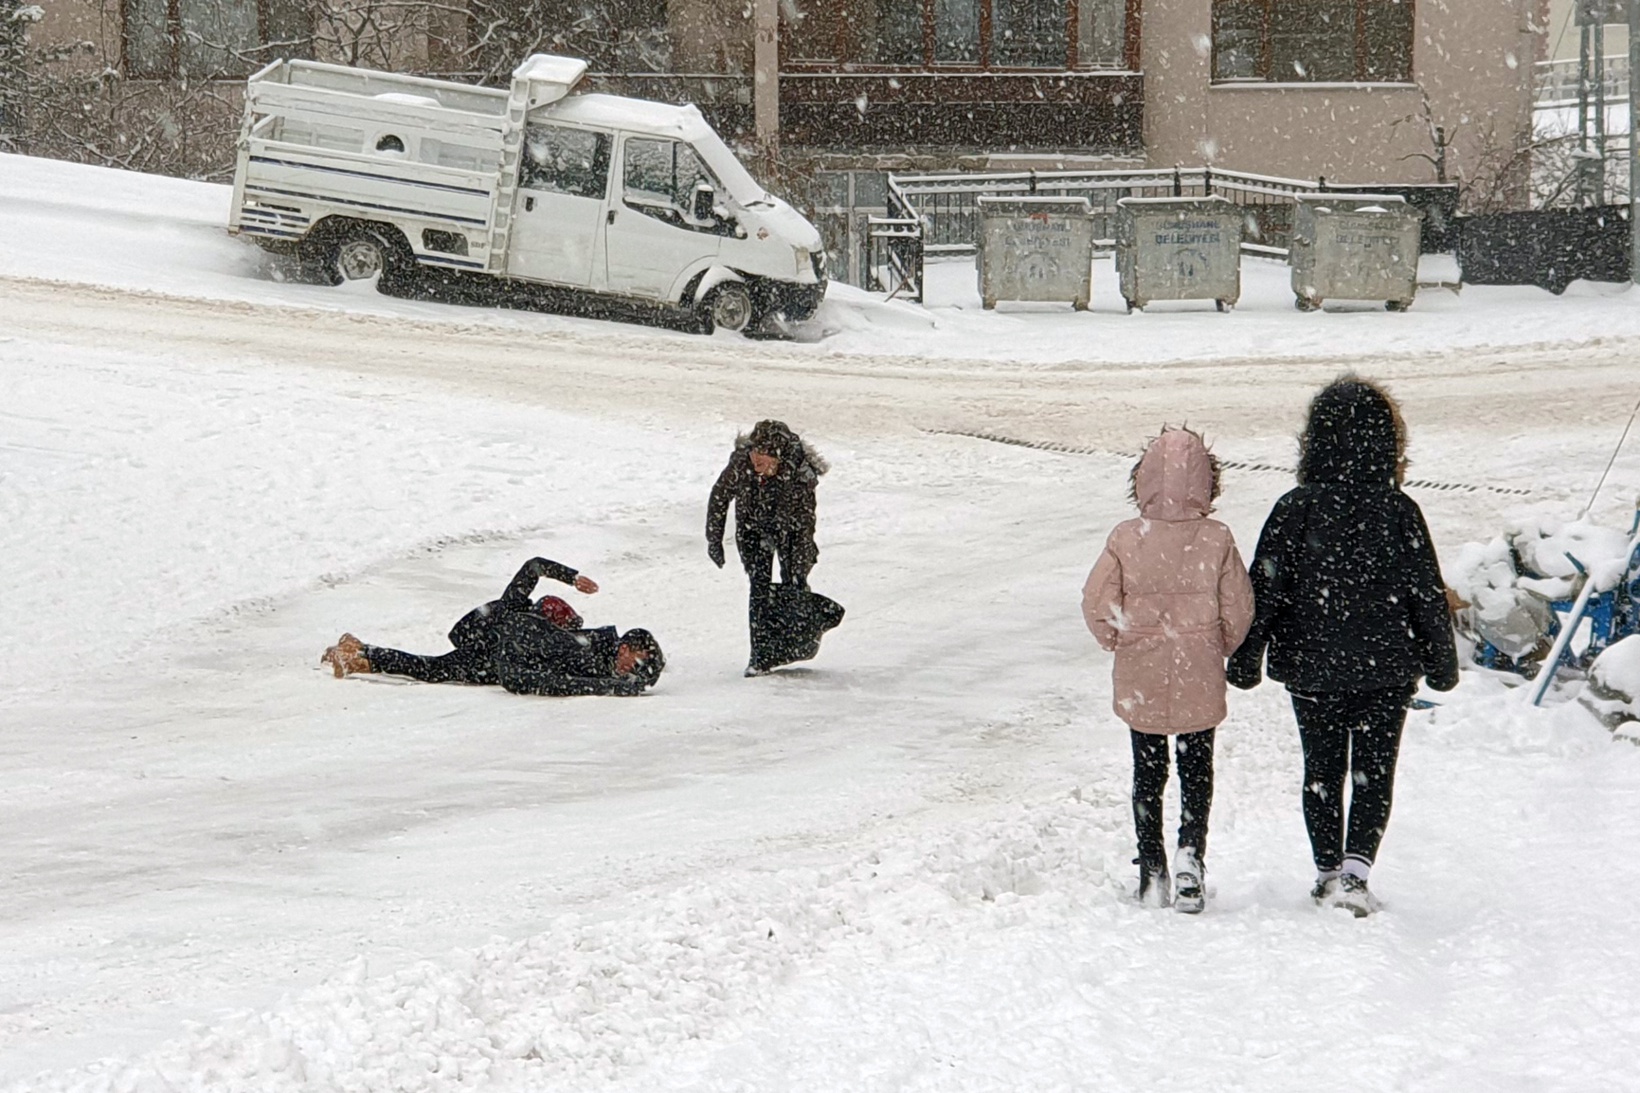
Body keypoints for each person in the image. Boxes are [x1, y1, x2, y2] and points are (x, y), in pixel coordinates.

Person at [1227, 375, 1459, 916]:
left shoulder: (1294, 508)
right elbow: (1426, 593)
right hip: (1387, 664)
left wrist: (1245, 659)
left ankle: (1327, 869)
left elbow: (1264, 590)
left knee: (1322, 770)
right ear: (1388, 443)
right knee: (1375, 770)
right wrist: (1441, 663)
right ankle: (1356, 872)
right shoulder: (1399, 511)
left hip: (1312, 666)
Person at [1082, 427, 1254, 913]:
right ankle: (1190, 855)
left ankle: (1151, 866)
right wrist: (1219, 643)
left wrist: (1116, 638)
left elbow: (1097, 602)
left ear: (1143, 480)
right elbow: (1238, 606)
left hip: (1141, 670)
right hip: (1198, 664)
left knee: (1148, 771)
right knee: (1197, 769)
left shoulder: (1127, 537)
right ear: (1207, 482)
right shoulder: (1217, 538)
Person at [320, 556, 664, 695]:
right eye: (633, 662)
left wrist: (570, 578)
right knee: (433, 668)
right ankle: (359, 654)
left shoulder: (521, 612)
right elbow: (537, 679)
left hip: (484, 643)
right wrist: (608, 686)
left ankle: (359, 652)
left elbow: (533, 566)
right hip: (494, 654)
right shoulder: (550, 637)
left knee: (433, 668)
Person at [706, 420, 841, 675]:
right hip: (752, 529)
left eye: (763, 457)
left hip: (790, 531)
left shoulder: (800, 474)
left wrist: (801, 564)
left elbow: (805, 523)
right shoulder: (742, 462)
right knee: (759, 588)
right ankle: (759, 657)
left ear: (777, 457)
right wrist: (714, 540)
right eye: (754, 453)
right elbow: (720, 496)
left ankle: (796, 642)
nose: (756, 461)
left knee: (793, 586)